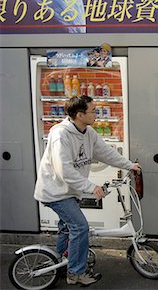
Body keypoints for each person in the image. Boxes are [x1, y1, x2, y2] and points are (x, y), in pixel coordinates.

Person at [34, 95, 141, 286]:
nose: (96, 114)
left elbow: (105, 152)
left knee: (67, 228)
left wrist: (128, 165)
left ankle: (60, 264)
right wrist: (91, 187)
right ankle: (75, 273)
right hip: (56, 192)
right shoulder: (60, 135)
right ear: (79, 114)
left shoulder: (88, 132)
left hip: (69, 191)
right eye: (92, 111)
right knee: (80, 227)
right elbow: (63, 169)